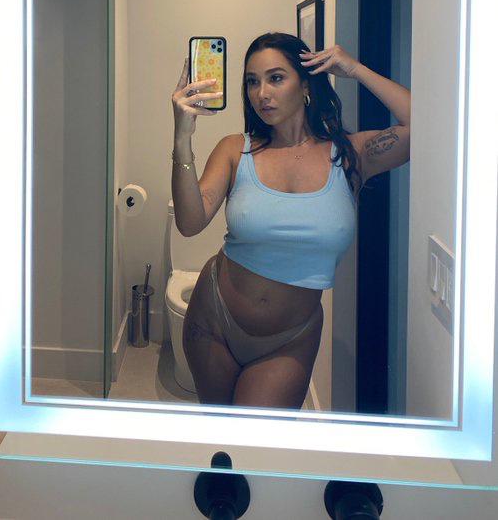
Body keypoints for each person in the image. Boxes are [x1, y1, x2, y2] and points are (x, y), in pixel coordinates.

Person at [170, 31, 411, 408]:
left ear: (306, 85)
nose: (261, 93)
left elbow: (426, 128)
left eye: (276, 78)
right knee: (219, 437)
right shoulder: (236, 149)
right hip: (214, 318)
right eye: (252, 81)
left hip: (289, 340)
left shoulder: (350, 155)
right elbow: (189, 223)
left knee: (259, 440)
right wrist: (182, 137)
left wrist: (355, 69)